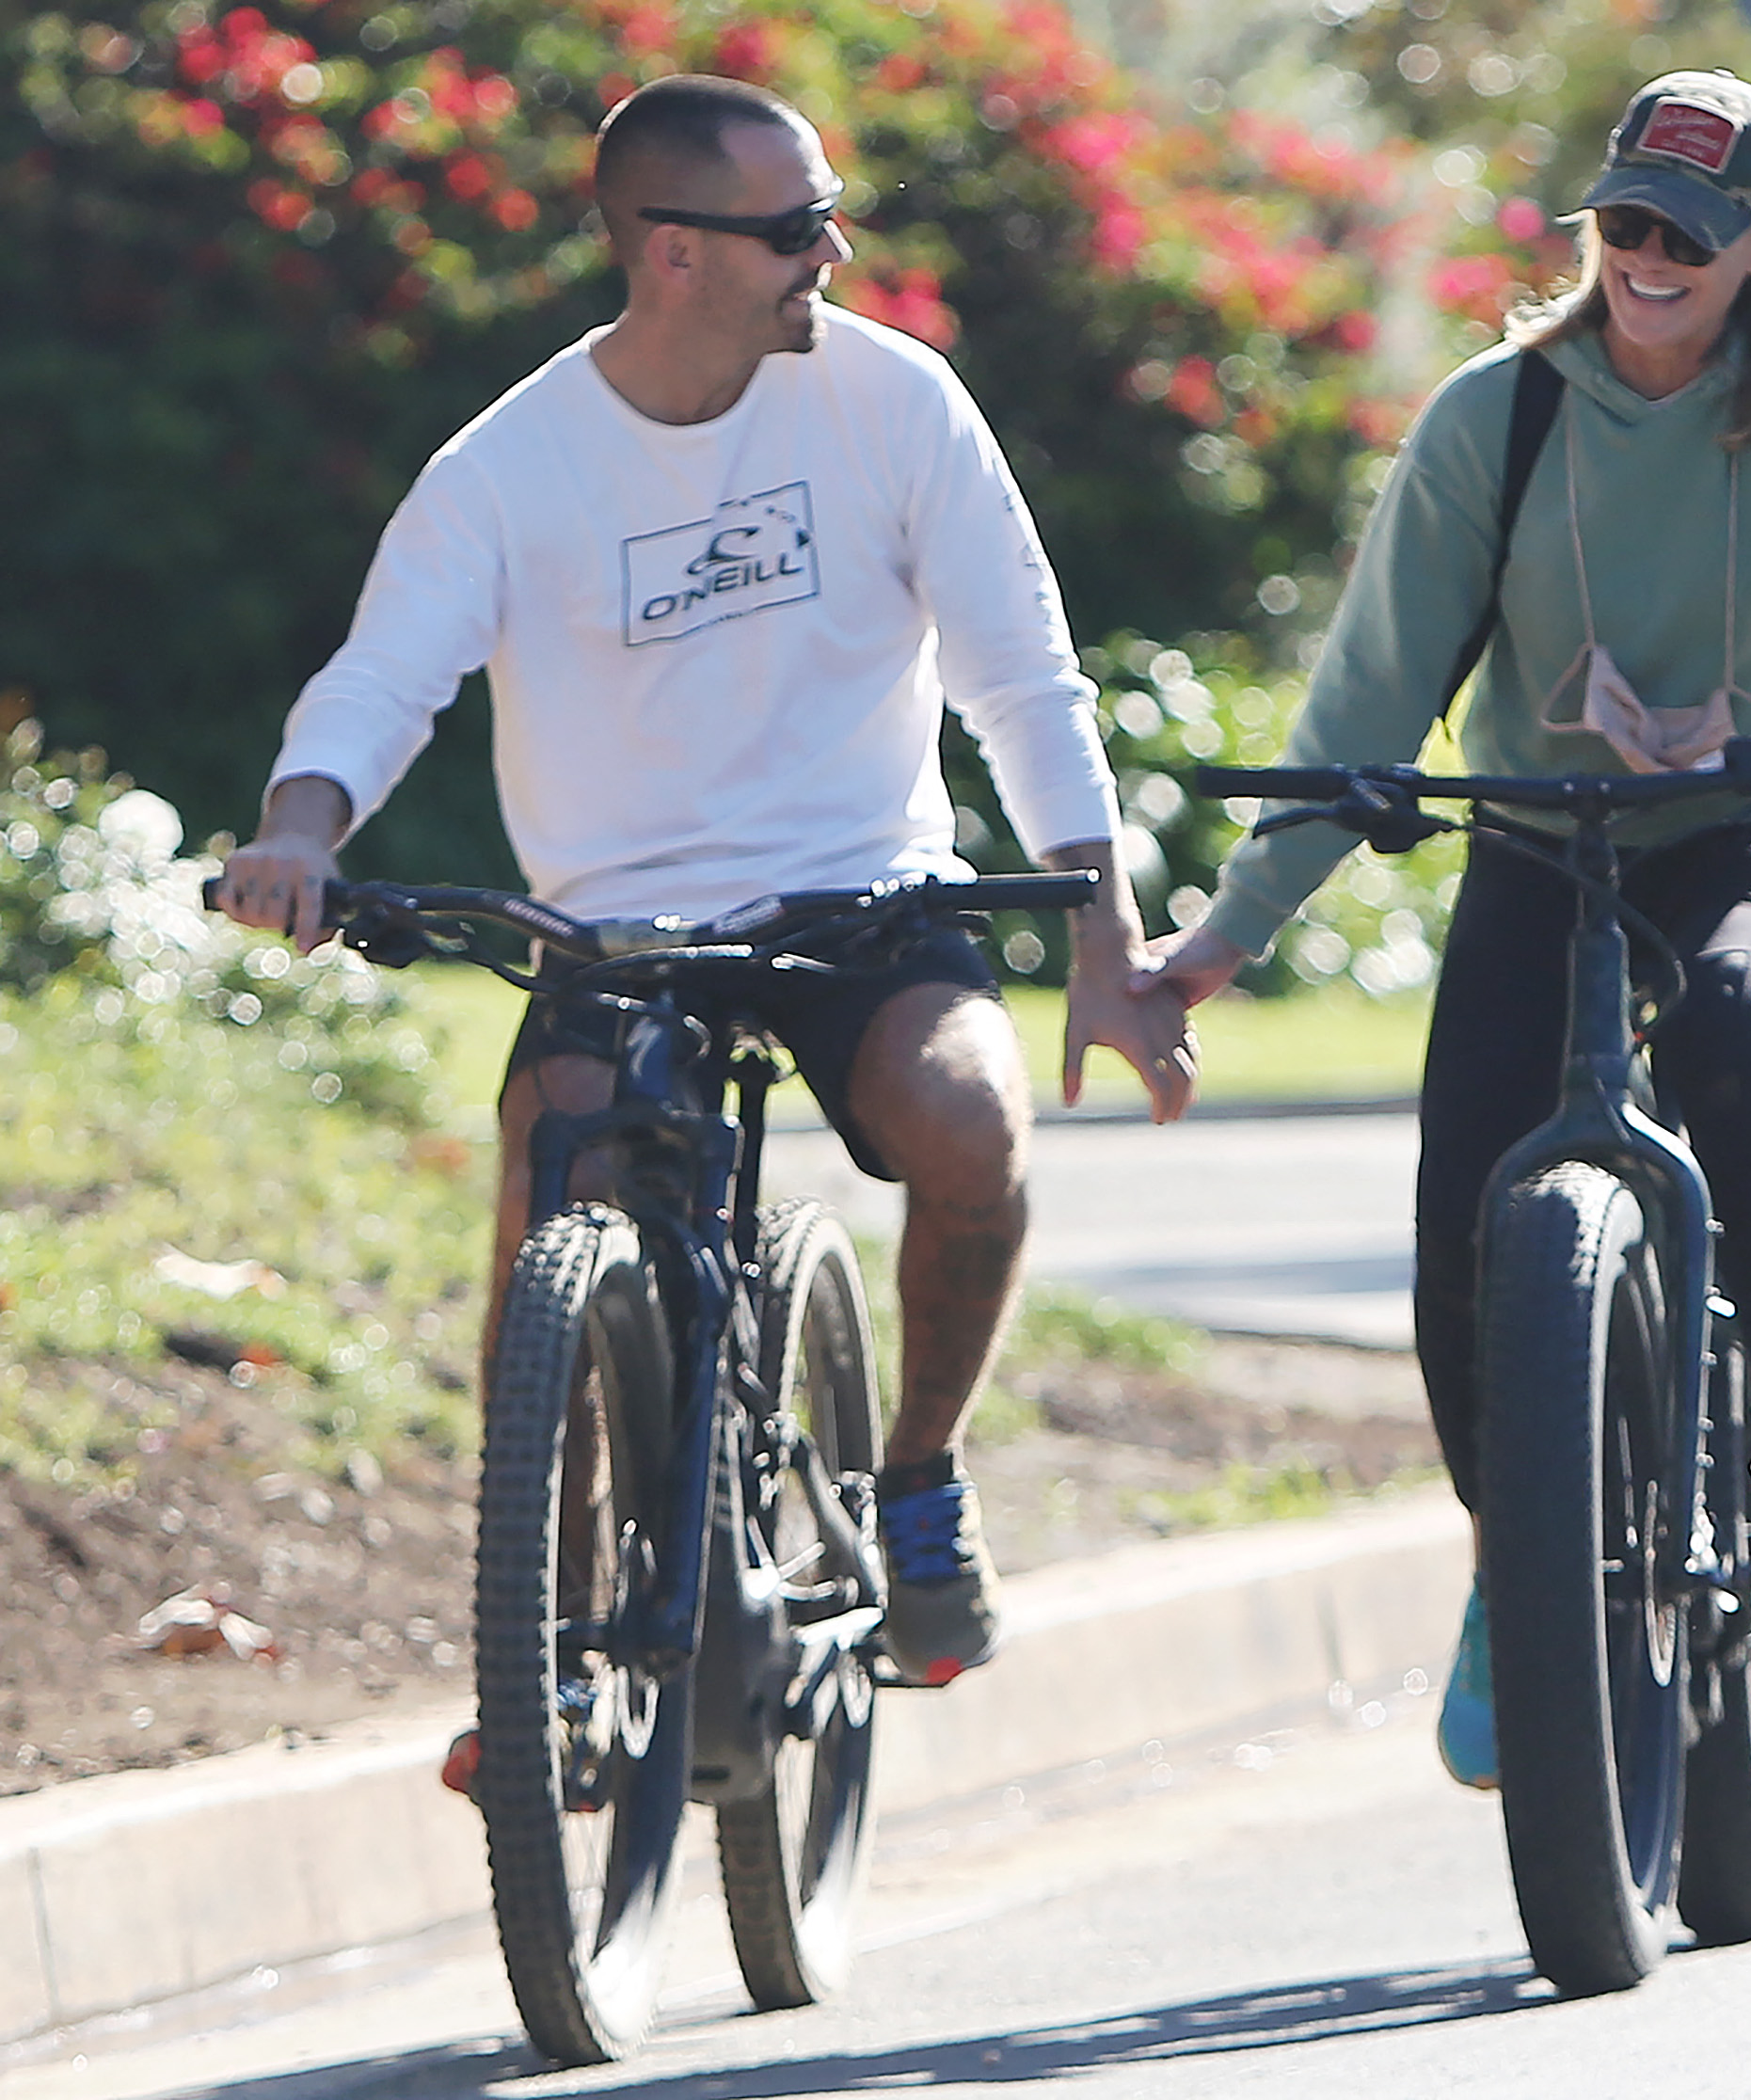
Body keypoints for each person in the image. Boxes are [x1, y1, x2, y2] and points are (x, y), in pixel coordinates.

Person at [215, 73, 1199, 1709]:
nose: (834, 252)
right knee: (552, 1220)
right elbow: (379, 682)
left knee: (971, 1127)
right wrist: (300, 831)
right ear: (673, 251)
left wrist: (1103, 941)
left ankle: (923, 1486)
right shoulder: (511, 467)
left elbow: (1024, 685)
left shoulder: (896, 405)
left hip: (862, 896)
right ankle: (543, 1655)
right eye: (798, 228)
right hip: (616, 930)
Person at [1141, 71, 1751, 1790]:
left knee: (1725, 1027)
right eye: (1627, 224)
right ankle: (1510, 1579)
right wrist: (1221, 939)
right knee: (1466, 1209)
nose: (1654, 257)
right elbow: (1370, 686)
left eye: (1696, 233)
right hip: (1547, 846)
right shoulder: (1497, 417)